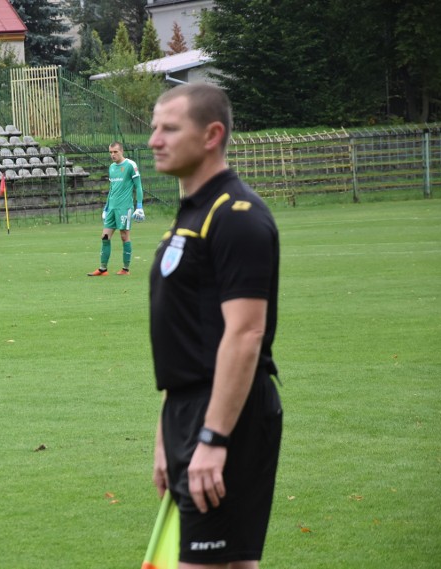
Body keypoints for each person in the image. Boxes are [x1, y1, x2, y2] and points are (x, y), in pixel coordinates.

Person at [147, 83, 283, 569]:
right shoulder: (191, 216)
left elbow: (245, 334)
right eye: (154, 128)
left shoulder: (237, 217)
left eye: (169, 128)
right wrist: (167, 435)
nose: (154, 140)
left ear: (212, 135)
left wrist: (213, 438)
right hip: (190, 412)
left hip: (229, 414)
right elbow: (186, 337)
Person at [87, 141, 144, 276]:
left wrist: (140, 206)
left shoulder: (130, 165)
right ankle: (103, 269)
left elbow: (139, 186)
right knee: (105, 237)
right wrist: (106, 208)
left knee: (124, 236)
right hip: (112, 208)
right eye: (110, 152)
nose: (112, 155)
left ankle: (125, 269)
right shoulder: (112, 167)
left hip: (125, 208)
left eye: (115, 152)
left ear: (121, 151)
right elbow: (112, 189)